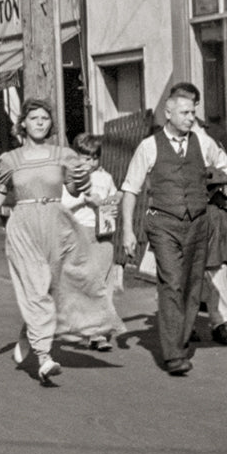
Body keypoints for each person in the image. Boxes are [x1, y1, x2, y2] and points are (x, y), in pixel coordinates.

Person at [0, 98, 115, 385]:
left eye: (44, 118)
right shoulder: (10, 159)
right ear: (23, 124)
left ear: (51, 123)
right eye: (34, 118)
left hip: (56, 223)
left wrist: (81, 180)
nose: (40, 122)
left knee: (53, 290)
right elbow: (1, 190)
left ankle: (29, 332)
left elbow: (75, 190)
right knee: (36, 288)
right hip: (24, 223)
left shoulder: (63, 154)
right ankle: (44, 357)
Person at [121, 86, 227, 375]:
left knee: (192, 286)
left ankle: (180, 343)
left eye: (193, 112)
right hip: (163, 223)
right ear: (168, 114)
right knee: (172, 282)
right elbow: (130, 189)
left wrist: (205, 179)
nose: (190, 117)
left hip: (198, 222)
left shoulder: (203, 142)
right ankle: (174, 356)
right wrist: (127, 232)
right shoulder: (149, 146)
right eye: (184, 112)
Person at [167, 82, 227, 346]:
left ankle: (218, 322)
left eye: (190, 106)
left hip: (209, 210)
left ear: (196, 106)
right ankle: (184, 325)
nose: (186, 112)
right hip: (176, 212)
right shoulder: (160, 138)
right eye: (179, 104)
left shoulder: (209, 135)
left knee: (215, 268)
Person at [60, 133, 124, 352]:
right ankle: (90, 330)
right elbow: (62, 204)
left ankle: (99, 332)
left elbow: (113, 198)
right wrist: (83, 198)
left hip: (103, 233)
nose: (90, 162)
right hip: (80, 232)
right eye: (85, 157)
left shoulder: (105, 178)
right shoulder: (72, 178)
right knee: (86, 282)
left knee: (103, 282)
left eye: (94, 158)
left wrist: (110, 203)